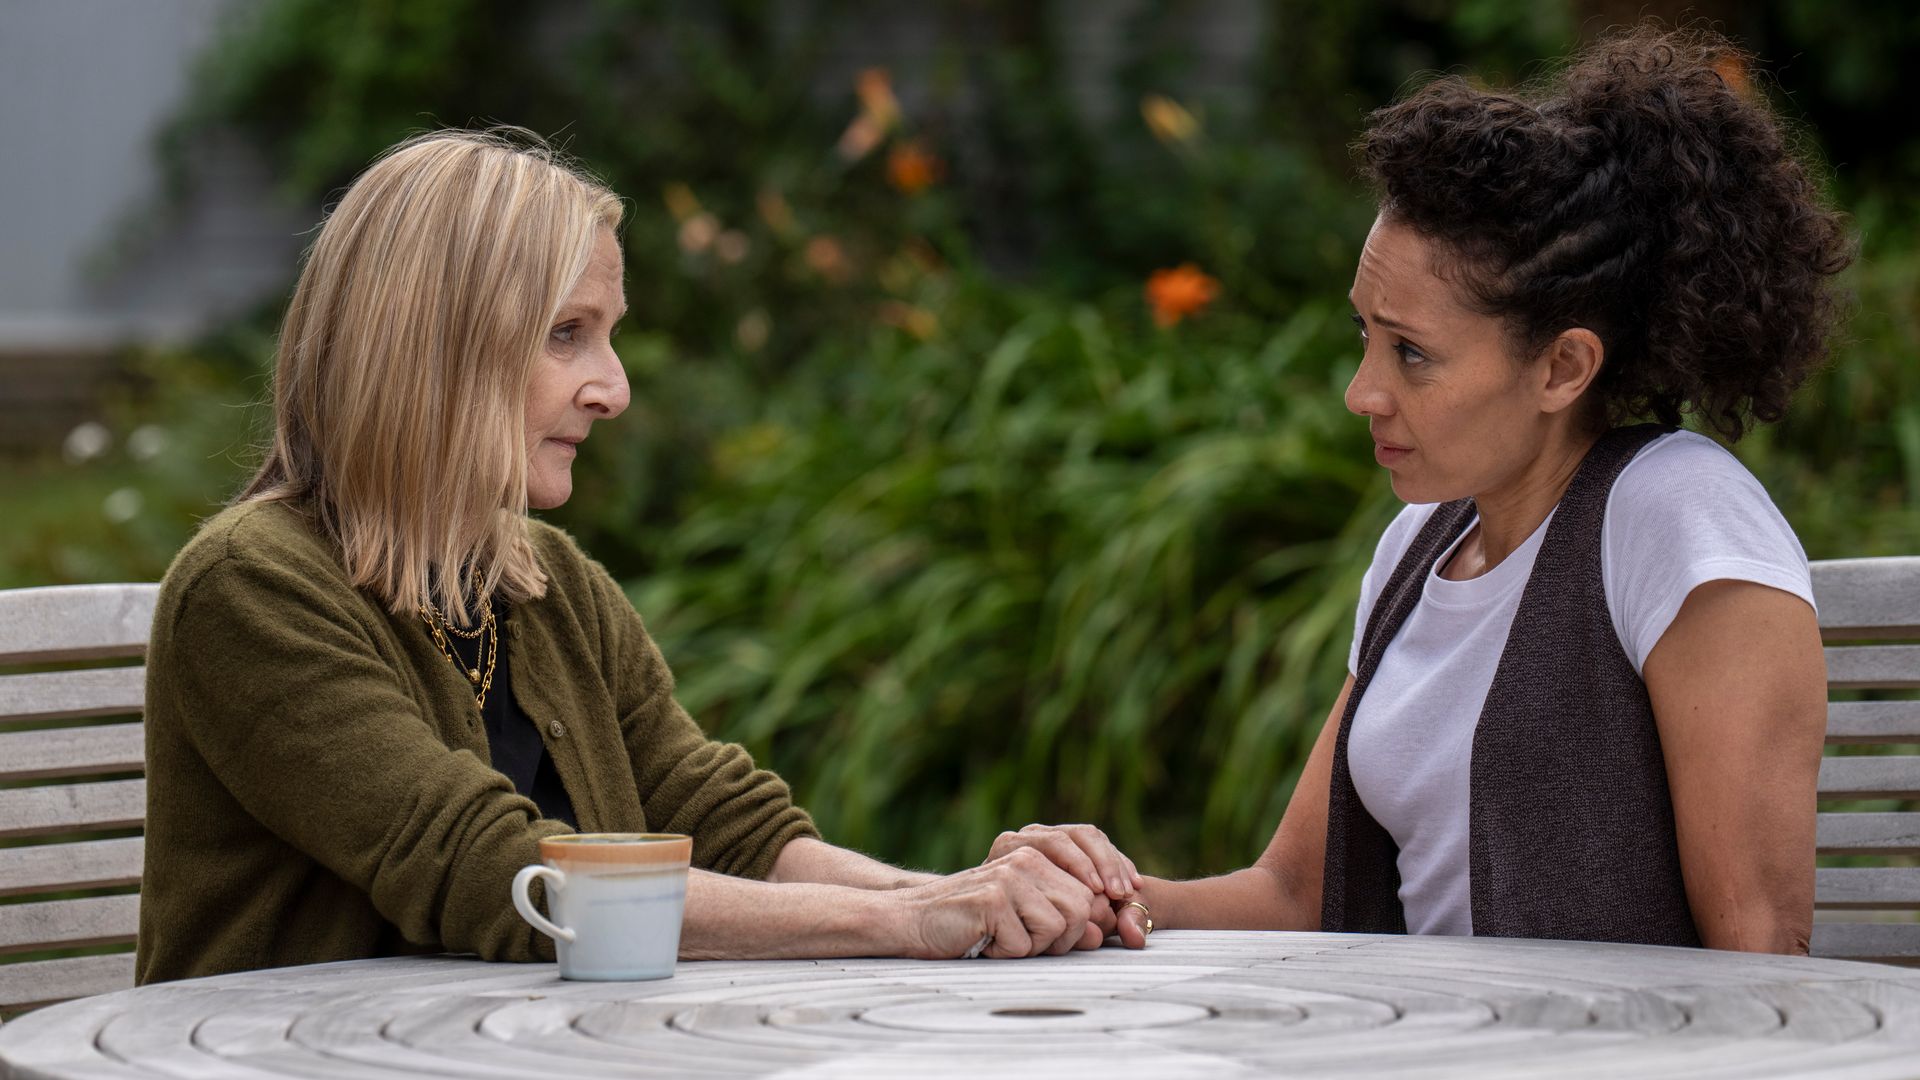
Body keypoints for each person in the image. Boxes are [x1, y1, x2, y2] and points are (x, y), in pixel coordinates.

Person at [136, 129, 1144, 984]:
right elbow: (496, 874)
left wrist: (966, 899)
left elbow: (725, 823)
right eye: (566, 335)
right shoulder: (251, 588)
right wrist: (917, 924)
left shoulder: (549, 583)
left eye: (608, 337)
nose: (613, 390)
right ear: (432, 344)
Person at [1015, 27, 1850, 952]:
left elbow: (1763, 949)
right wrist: (1091, 893)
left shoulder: (1678, 517)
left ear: (1563, 368)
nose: (1362, 392)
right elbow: (1297, 895)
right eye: (1365, 337)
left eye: (1412, 353)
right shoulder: (1420, 547)